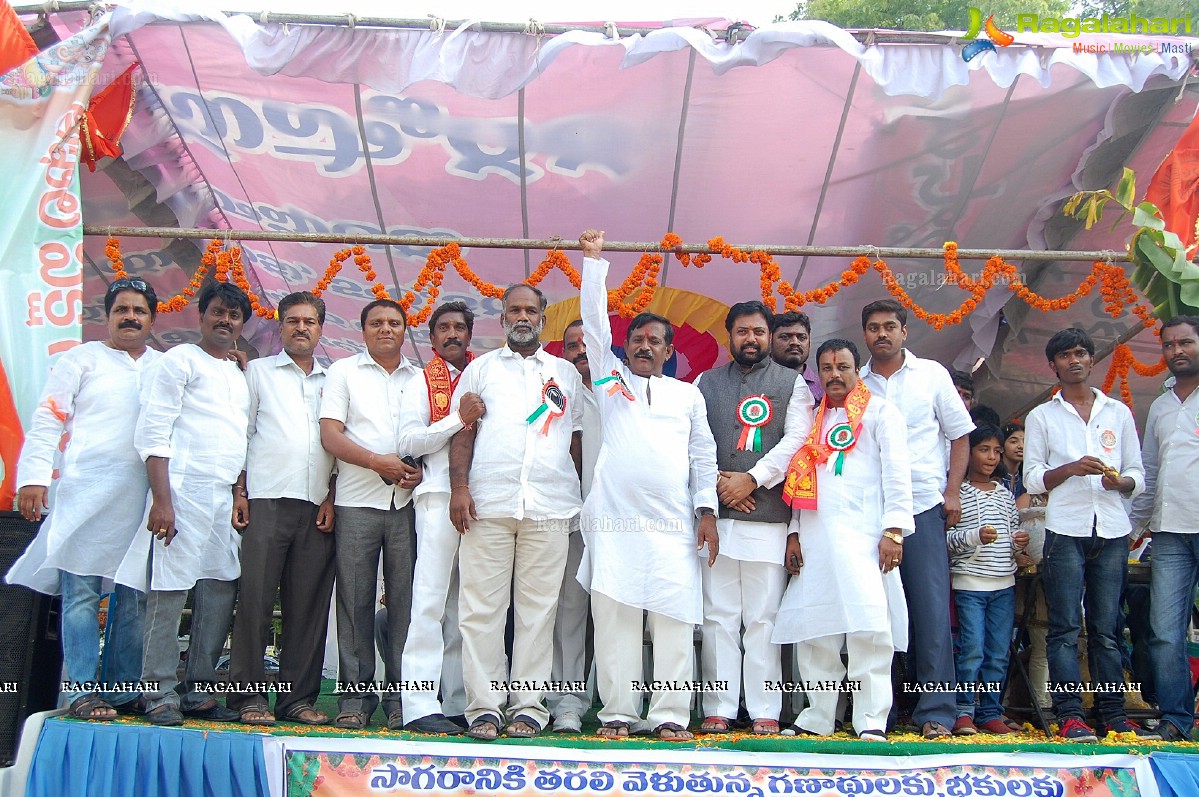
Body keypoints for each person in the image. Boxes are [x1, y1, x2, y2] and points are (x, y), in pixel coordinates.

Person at [575, 229, 718, 742]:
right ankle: (617, 711)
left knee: (674, 620)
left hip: (673, 523)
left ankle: (671, 715)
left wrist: (707, 511)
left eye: (653, 340)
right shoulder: (613, 386)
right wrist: (594, 263)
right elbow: (593, 328)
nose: (643, 345)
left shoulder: (687, 396)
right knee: (615, 619)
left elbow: (703, 456)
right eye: (636, 339)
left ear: (668, 351)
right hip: (615, 521)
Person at [6, 278, 161, 720]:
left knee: (132, 598)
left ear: (152, 318)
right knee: (80, 596)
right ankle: (78, 691)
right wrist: (32, 477)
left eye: (139, 310)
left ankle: (120, 690)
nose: (130, 317)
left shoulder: (163, 366)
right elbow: (46, 420)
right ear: (107, 316)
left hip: (141, 499)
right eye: (121, 310)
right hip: (84, 494)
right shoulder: (81, 359)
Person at [448, 282, 584, 741]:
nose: (522, 317)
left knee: (538, 611)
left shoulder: (566, 374)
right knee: (481, 609)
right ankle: (484, 708)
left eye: (531, 311)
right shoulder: (479, 370)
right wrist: (460, 488)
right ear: (502, 317)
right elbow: (462, 432)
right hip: (488, 503)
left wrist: (575, 492)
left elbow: (577, 438)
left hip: (548, 505)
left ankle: (528, 706)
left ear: (543, 319)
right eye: (514, 310)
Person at [122, 281, 252, 726]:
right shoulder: (180, 360)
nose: (224, 320)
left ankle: (198, 688)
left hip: (219, 496)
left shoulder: (238, 373)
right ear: (201, 315)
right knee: (170, 587)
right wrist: (163, 500)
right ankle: (156, 692)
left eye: (233, 316)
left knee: (220, 583)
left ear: (241, 324)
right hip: (181, 488)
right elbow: (154, 431)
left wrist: (237, 492)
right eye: (217, 312)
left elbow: (238, 440)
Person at [774, 339, 912, 741]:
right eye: (828, 368)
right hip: (816, 536)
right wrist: (794, 532)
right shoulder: (813, 419)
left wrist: (894, 531)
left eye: (843, 367)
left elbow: (898, 476)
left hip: (867, 538)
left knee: (869, 628)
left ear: (857, 371)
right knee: (816, 628)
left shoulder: (882, 413)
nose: (835, 375)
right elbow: (803, 481)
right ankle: (818, 716)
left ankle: (870, 719)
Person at [1023, 327, 1154, 741]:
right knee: (1063, 627)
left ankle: (1113, 713)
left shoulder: (1117, 412)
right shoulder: (1042, 416)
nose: (1074, 361)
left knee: (1107, 627)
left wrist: (1122, 483)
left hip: (1112, 528)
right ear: (1053, 365)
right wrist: (1071, 468)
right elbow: (1032, 479)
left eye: (1081, 353)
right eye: (1065, 355)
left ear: (1091, 360)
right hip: (1065, 529)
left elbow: (1138, 473)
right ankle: (1070, 714)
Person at [695, 300, 813, 735]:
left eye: (759, 332)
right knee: (719, 616)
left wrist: (753, 479)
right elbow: (694, 440)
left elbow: (798, 439)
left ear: (769, 336)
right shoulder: (706, 382)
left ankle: (765, 709)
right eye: (743, 331)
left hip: (768, 519)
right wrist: (722, 483)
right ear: (730, 336)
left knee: (763, 618)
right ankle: (720, 707)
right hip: (718, 520)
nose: (751, 339)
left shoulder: (792, 384)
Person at [859, 299, 974, 739]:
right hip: (873, 509)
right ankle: (879, 712)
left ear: (905, 332)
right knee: (879, 610)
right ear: (865, 335)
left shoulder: (932, 375)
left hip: (923, 504)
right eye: (873, 327)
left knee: (928, 610)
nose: (882, 334)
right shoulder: (857, 383)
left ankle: (937, 711)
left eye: (890, 326)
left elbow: (960, 434)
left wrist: (952, 492)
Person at [226, 291, 336, 726]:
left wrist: (331, 497)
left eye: (309, 321)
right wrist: (239, 491)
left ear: (321, 329)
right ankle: (247, 700)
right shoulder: (256, 373)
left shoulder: (335, 380)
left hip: (316, 507)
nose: (301, 328)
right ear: (280, 326)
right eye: (292, 321)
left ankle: (296, 701)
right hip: (266, 501)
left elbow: (340, 445)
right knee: (254, 602)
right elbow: (242, 433)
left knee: (308, 608)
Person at [319, 298, 424, 730]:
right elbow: (330, 436)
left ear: (405, 331)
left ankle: (401, 698)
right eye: (376, 323)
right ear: (362, 330)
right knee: (355, 602)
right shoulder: (343, 372)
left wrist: (422, 473)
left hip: (407, 507)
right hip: (356, 502)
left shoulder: (420, 379)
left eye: (394, 323)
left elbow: (432, 438)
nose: (385, 329)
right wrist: (374, 461)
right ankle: (355, 700)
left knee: (405, 606)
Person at [395, 301, 486, 734]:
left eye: (459, 328)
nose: (452, 334)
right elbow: (408, 439)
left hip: (477, 504)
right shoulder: (420, 381)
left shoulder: (481, 376)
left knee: (464, 608)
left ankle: (454, 701)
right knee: (429, 603)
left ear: (470, 335)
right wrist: (457, 419)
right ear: (431, 339)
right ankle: (416, 705)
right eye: (443, 328)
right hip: (435, 498)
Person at [1130, 316, 1199, 742]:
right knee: (1164, 631)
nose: (1177, 350)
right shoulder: (1160, 405)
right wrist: (1133, 529)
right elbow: (1150, 472)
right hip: (1169, 533)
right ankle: (1176, 719)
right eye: (1169, 345)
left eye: (1186, 342)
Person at [946, 425, 1027, 736]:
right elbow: (949, 541)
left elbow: (1011, 536)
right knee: (972, 649)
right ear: (968, 454)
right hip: (969, 585)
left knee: (997, 652)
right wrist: (975, 537)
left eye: (996, 451)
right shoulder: (958, 493)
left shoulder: (1006, 496)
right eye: (983, 449)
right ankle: (963, 710)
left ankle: (990, 711)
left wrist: (1019, 543)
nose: (992, 457)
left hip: (1004, 585)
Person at [548, 318, 600, 733]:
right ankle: (563, 698)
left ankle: (617, 698)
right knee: (566, 609)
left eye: (587, 343)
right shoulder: (554, 391)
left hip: (617, 522)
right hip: (564, 515)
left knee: (617, 611)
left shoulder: (621, 389)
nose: (580, 351)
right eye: (571, 346)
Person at [770, 311, 822, 403]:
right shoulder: (754, 383)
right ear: (770, 341)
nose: (795, 342)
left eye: (801, 337)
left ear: (809, 343)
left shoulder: (824, 388)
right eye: (785, 337)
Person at [1000, 422, 1025, 499]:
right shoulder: (993, 480)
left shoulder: (1027, 482)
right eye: (1014, 442)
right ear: (1001, 447)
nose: (1021, 446)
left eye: (1025, 442)